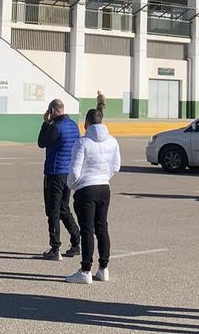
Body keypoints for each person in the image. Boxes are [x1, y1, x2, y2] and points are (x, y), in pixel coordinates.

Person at [65, 108, 121, 284]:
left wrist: (73, 185)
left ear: (86, 123)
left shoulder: (82, 142)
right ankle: (103, 269)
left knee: (87, 229)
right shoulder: (112, 141)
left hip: (86, 189)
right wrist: (104, 177)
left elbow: (74, 170)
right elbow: (116, 166)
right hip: (104, 187)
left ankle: (85, 270)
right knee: (102, 228)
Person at [38, 99, 81, 260]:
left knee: (53, 211)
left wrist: (45, 123)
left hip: (54, 172)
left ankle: (55, 248)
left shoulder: (56, 127)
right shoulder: (73, 125)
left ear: (53, 111)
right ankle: (76, 241)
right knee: (64, 208)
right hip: (67, 173)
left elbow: (41, 142)